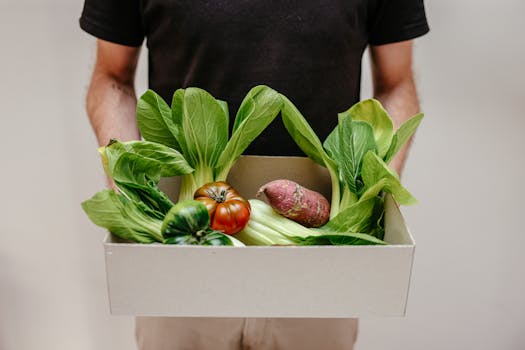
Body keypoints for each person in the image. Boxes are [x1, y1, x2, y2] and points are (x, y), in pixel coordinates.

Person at [80, 1, 429, 349]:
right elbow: (111, 77)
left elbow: (396, 84)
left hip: (324, 264)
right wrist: (133, 197)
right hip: (181, 258)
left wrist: (369, 200)